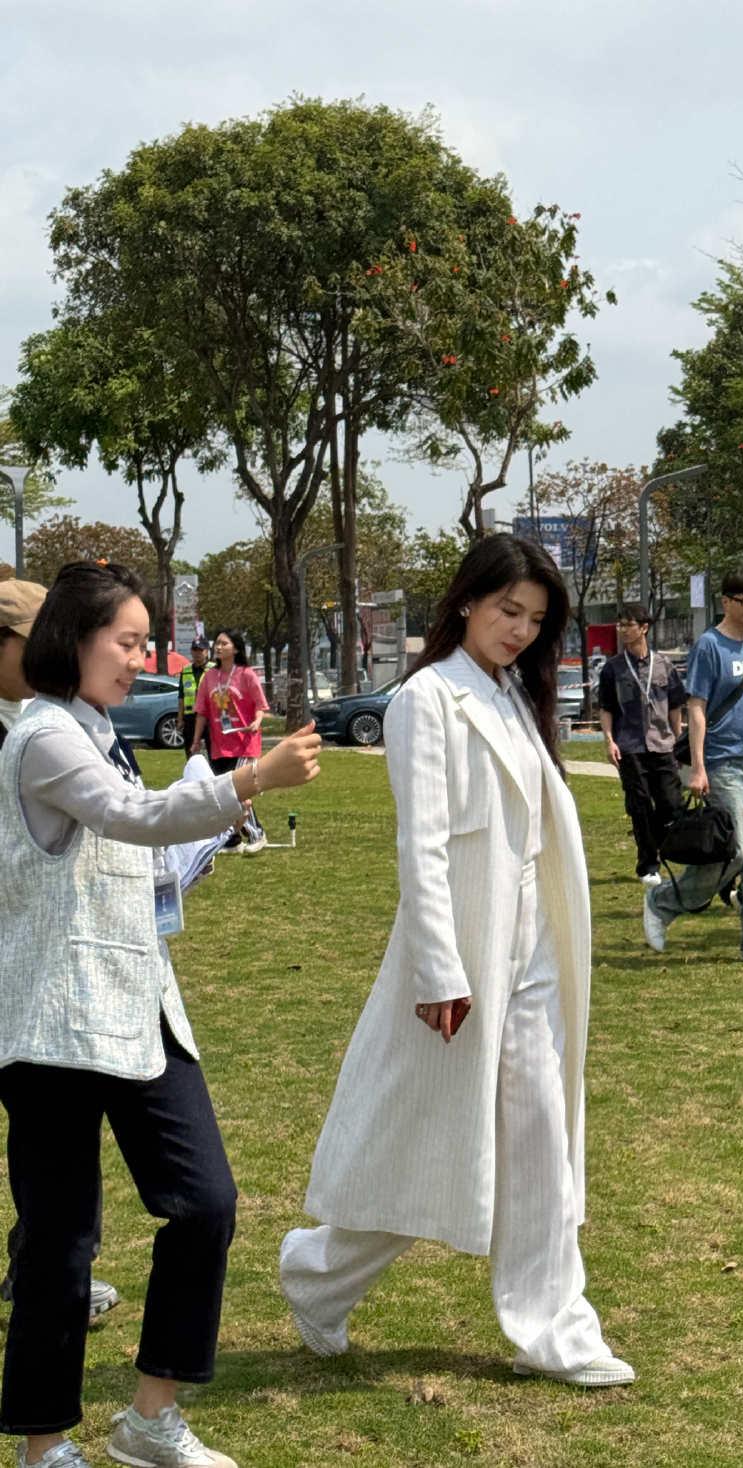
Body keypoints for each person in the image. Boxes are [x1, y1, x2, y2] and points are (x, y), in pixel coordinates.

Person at [280, 534, 635, 1390]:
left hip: (532, 948)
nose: (520, 630)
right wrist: (441, 969)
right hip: (461, 953)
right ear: (468, 601)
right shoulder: (426, 699)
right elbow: (422, 847)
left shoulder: (514, 693)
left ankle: (555, 1326)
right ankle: (318, 1275)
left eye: (536, 619)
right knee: (427, 1142)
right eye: (508, 610)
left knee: (541, 1137)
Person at [0, 560, 321, 1468]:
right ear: (73, 638)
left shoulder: (99, 729)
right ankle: (44, 1446)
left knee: (207, 1204)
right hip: (56, 1022)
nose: (143, 660)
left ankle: (150, 1420)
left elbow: (133, 848)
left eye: (147, 642)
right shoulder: (45, 734)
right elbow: (127, 815)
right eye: (128, 642)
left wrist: (191, 855)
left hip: (140, 1009)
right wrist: (246, 782)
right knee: (61, 1245)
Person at [0, 577, 122, 1330]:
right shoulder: (32, 735)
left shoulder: (53, 724)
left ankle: (46, 1266)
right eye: (35, 638)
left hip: (35, 956)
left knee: (49, 1124)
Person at [642, 569, 743, 963]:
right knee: (735, 851)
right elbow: (696, 708)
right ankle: (663, 902)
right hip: (722, 763)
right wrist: (698, 768)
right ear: (726, 601)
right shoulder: (710, 646)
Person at [597, 603, 686, 886]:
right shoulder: (613, 668)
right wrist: (609, 740)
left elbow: (674, 706)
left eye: (628, 624)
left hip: (662, 744)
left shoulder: (664, 665)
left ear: (644, 627)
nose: (622, 630)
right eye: (620, 624)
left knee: (671, 804)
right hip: (629, 745)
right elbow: (607, 707)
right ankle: (648, 864)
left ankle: (663, 849)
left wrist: (678, 739)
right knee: (639, 806)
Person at [191, 629, 269, 855]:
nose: (218, 647)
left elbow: (260, 706)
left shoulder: (246, 675)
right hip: (219, 745)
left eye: (223, 644)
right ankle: (232, 839)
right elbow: (202, 712)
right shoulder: (210, 677)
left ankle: (256, 833)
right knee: (224, 793)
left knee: (239, 792)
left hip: (245, 742)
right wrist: (196, 741)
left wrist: (256, 721)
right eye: (217, 643)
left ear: (235, 648)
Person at [178, 637, 211, 756]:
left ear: (207, 651)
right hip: (190, 717)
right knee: (190, 751)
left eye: (200, 650)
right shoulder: (186, 670)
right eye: (194, 650)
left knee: (212, 751)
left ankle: (214, 773)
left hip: (209, 717)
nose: (197, 653)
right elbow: (181, 696)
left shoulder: (214, 669)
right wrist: (180, 718)